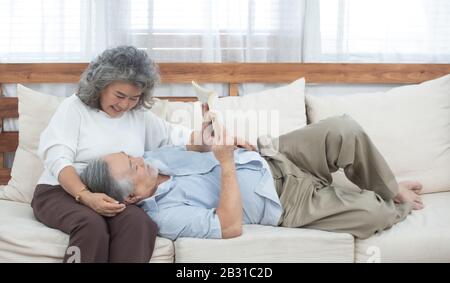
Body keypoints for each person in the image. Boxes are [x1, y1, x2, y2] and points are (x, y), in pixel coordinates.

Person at [31, 46, 251, 262]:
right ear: (101, 85)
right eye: (119, 95)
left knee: (140, 224)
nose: (125, 104)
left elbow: (175, 137)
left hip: (113, 195)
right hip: (61, 190)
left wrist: (212, 136)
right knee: (91, 225)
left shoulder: (138, 115)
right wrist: (85, 195)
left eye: (134, 97)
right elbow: (57, 158)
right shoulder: (75, 108)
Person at [80, 114, 424, 241]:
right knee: (372, 214)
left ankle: (390, 188)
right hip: (286, 202)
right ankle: (391, 201)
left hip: (273, 154)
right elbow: (229, 226)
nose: (139, 159)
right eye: (132, 167)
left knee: (343, 129)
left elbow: (196, 149)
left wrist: (209, 137)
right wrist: (227, 163)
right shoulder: (164, 216)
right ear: (130, 198)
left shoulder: (153, 158)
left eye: (130, 155)